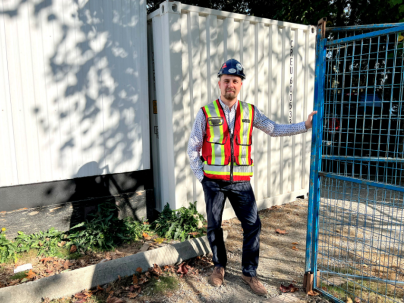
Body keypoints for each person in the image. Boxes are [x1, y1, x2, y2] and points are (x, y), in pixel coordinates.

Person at [187, 58, 317, 296]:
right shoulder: (206, 112)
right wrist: (202, 177)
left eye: (235, 81)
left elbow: (274, 129)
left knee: (253, 226)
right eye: (226, 80)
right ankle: (219, 267)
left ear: (240, 85)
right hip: (214, 182)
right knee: (214, 226)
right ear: (219, 83)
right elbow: (192, 148)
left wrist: (305, 125)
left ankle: (249, 272)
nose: (231, 85)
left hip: (241, 182)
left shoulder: (250, 111)